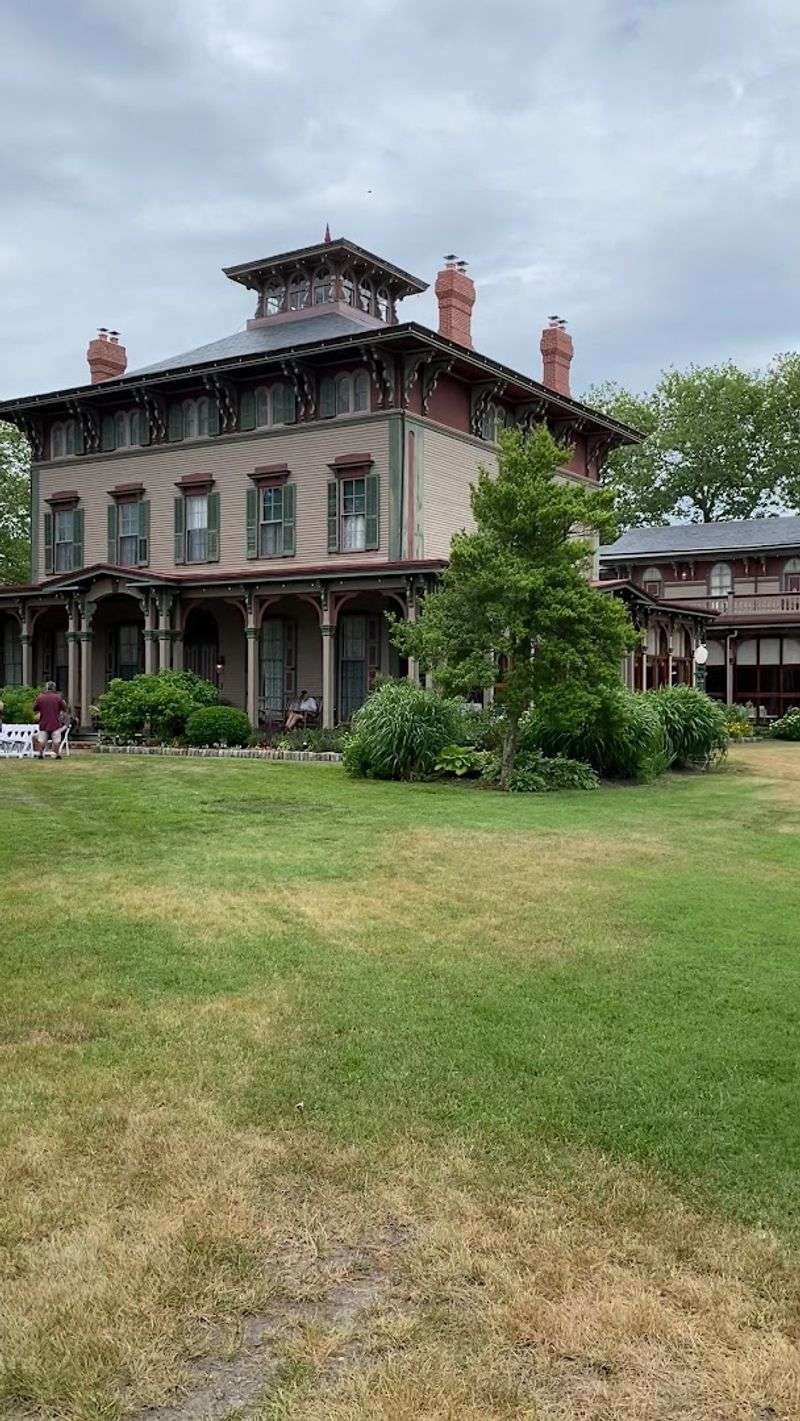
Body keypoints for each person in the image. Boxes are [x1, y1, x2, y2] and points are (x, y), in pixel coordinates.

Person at [33, 681, 68, 760]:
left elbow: (34, 708)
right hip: (55, 722)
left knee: (41, 740)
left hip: (44, 722)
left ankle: (40, 754)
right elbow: (64, 708)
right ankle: (57, 754)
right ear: (54, 688)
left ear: (46, 688)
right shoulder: (58, 697)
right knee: (56, 741)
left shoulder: (40, 697)